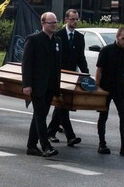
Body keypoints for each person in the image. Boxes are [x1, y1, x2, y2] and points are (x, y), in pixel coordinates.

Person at [22, 12, 62, 158]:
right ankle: (46, 146)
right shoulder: (33, 39)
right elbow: (26, 64)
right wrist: (27, 84)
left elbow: (57, 65)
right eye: (51, 23)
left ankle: (31, 146)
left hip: (50, 85)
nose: (54, 25)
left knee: (40, 116)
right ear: (43, 23)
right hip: (37, 85)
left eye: (55, 22)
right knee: (40, 116)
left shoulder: (57, 41)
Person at [48, 9, 89, 147]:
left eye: (77, 19)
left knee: (61, 104)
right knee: (63, 105)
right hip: (58, 75)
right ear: (66, 20)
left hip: (71, 76)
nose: (75, 22)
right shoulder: (58, 36)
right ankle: (70, 136)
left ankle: (50, 132)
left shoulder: (79, 37)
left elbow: (81, 58)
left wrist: (86, 74)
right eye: (72, 19)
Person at [96, 26, 124, 156]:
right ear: (117, 37)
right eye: (123, 39)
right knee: (103, 116)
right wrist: (97, 86)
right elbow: (99, 69)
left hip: (119, 87)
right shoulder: (106, 50)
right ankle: (102, 144)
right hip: (105, 87)